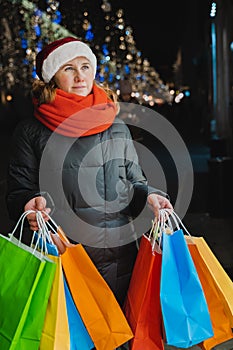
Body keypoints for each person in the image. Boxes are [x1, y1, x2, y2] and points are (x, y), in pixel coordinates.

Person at [6, 36, 173, 308]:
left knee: (118, 337)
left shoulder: (116, 126)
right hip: (64, 259)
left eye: (85, 66)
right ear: (52, 78)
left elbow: (133, 183)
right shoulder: (30, 131)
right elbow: (18, 190)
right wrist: (28, 204)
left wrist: (150, 197)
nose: (80, 76)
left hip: (119, 260)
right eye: (68, 69)